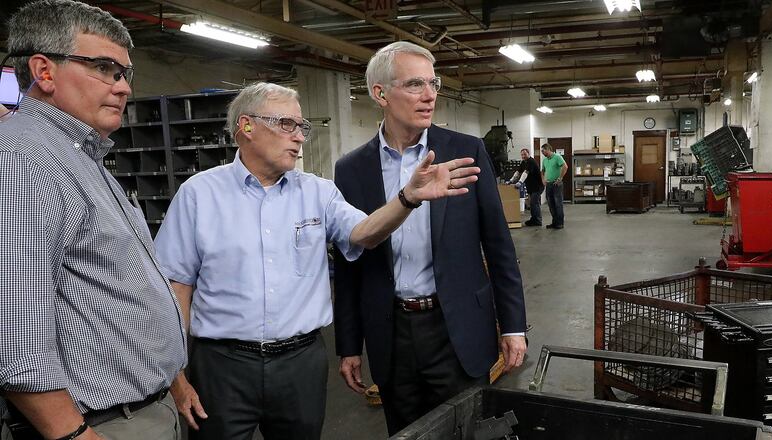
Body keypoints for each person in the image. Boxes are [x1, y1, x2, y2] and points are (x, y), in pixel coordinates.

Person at [152, 81, 478, 440]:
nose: (299, 137)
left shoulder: (318, 192)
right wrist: (177, 377)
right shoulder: (199, 195)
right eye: (287, 125)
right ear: (246, 126)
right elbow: (176, 287)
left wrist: (407, 199)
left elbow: (364, 233)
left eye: (301, 127)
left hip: (300, 365)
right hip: (221, 367)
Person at [0, 1, 186, 440]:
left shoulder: (78, 155)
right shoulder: (24, 159)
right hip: (100, 424)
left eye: (124, 73)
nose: (122, 87)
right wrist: (71, 433)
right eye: (105, 68)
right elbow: (14, 332)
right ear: (44, 71)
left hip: (140, 410)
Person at [333, 41, 528, 436]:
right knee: (405, 432)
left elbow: (498, 246)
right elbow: (349, 263)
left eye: (433, 83)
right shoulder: (352, 169)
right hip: (391, 333)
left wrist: (513, 326)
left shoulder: (465, 151)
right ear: (380, 94)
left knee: (467, 429)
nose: (429, 95)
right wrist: (350, 344)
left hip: (456, 327)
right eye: (415, 84)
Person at [508, 148, 544, 226]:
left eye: (524, 154)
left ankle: (538, 220)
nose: (523, 156)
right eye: (522, 155)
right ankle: (533, 219)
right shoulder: (524, 162)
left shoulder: (531, 161)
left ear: (528, 154)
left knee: (534, 203)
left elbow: (525, 172)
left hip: (537, 187)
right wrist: (511, 180)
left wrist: (520, 182)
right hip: (531, 187)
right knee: (531, 204)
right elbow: (518, 172)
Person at [540, 143, 568, 229]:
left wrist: (560, 178)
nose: (542, 153)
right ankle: (554, 222)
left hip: (556, 184)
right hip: (549, 184)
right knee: (551, 204)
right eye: (541, 151)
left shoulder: (557, 157)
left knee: (558, 204)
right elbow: (542, 171)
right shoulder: (544, 160)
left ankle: (560, 223)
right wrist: (543, 180)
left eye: (543, 151)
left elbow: (565, 166)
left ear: (548, 149)